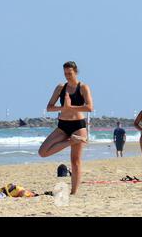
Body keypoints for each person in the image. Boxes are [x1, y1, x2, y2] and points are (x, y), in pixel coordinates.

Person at [38, 61, 94, 195]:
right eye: (65, 73)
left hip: (78, 125)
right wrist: (63, 108)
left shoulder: (83, 87)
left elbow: (90, 107)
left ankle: (73, 192)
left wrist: (71, 107)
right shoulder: (60, 88)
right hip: (62, 125)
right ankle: (71, 141)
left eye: (70, 73)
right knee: (43, 152)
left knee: (75, 161)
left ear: (76, 72)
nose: (67, 76)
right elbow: (49, 107)